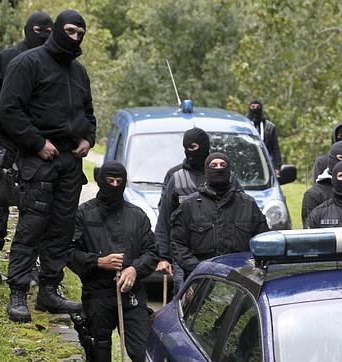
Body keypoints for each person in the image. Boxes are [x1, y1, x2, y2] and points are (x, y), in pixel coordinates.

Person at [0, 10, 95, 322]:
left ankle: (49, 291)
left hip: (70, 162)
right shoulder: (28, 63)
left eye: (80, 33)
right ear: (56, 30)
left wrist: (88, 139)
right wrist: (37, 143)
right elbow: (8, 109)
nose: (76, 37)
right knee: (32, 226)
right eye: (70, 31)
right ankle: (18, 291)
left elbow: (89, 113)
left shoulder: (79, 72)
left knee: (62, 228)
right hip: (39, 158)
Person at [0, 11, 53, 283]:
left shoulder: (55, 64)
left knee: (34, 209)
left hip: (39, 147)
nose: (42, 33)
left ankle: (26, 265)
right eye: (37, 29)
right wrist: (12, 115)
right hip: (5, 142)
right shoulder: (6, 59)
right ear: (27, 29)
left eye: (48, 29)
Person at [69, 161, 158, 362]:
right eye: (110, 181)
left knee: (142, 351)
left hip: (132, 294)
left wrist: (135, 269)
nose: (115, 186)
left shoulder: (137, 215)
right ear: (101, 181)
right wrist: (99, 262)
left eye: (120, 181)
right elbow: (68, 253)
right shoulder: (83, 214)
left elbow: (152, 252)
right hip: (97, 294)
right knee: (99, 350)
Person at [154, 127, 241, 294]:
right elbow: (164, 218)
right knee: (185, 300)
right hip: (185, 255)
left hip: (223, 253)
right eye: (186, 147)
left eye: (193, 147)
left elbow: (244, 211)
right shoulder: (176, 177)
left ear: (204, 146)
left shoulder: (227, 176)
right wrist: (163, 256)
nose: (189, 152)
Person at [171, 153, 269, 277]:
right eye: (214, 165)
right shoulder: (189, 205)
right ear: (207, 171)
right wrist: (197, 268)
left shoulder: (248, 204)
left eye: (222, 165)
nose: (218, 168)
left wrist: (253, 271)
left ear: (229, 170)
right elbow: (177, 243)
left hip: (242, 279)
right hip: (201, 280)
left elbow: (263, 242)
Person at [247, 100, 282, 175]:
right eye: (253, 106)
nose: (255, 109)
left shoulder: (269, 127)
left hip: (266, 163)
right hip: (247, 162)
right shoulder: (244, 126)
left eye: (257, 107)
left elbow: (275, 149)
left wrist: (277, 167)